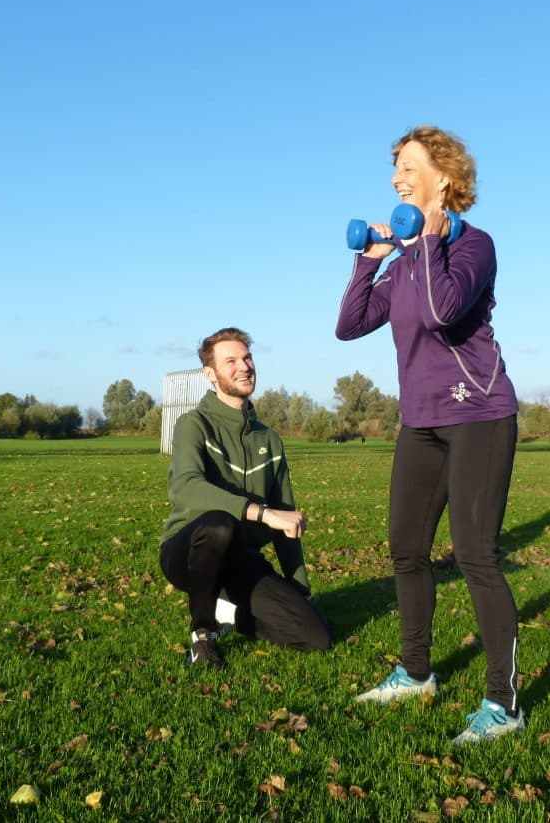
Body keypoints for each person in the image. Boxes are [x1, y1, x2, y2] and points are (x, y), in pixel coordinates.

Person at [335, 126, 522, 745]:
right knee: (407, 551)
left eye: (408, 166)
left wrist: (433, 239)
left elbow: (443, 312)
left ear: (442, 177)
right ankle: (417, 672)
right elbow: (350, 323)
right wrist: (371, 261)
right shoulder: (408, 259)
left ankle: (504, 703)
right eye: (394, 168)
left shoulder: (475, 247)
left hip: (479, 418)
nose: (396, 177)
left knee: (475, 557)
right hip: (420, 423)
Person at [160, 327, 331, 669]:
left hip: (239, 559)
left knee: (316, 637)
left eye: (247, 357)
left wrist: (299, 589)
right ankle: (202, 636)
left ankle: (227, 612)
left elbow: (287, 517)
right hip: (189, 552)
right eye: (231, 361)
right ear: (210, 374)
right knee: (220, 524)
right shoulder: (194, 425)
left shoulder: (269, 438)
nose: (244, 366)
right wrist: (262, 513)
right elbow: (187, 486)